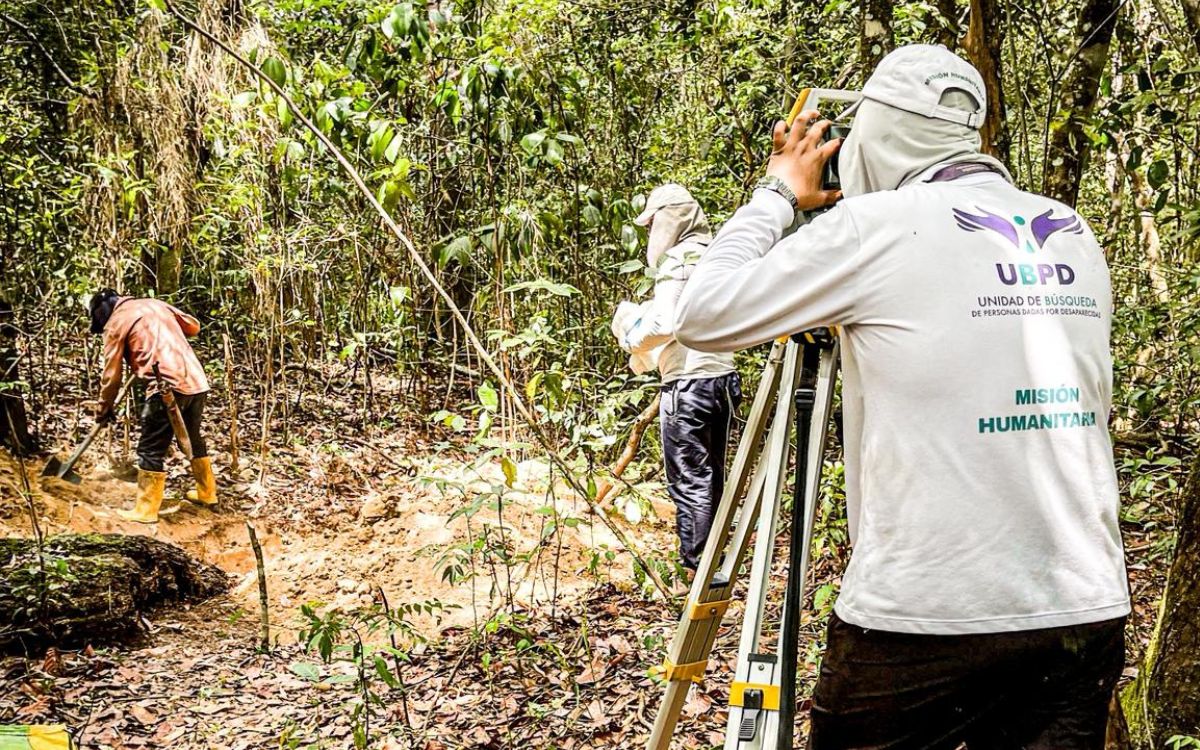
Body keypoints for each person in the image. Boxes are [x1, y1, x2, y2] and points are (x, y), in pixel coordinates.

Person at [675, 45, 1129, 749]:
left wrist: (777, 194)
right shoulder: (1071, 230)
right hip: (1083, 605)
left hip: (923, 614)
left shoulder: (875, 227)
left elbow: (702, 314)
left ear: (880, 133)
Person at [614, 184, 742, 588]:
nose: (652, 232)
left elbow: (665, 324)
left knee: (690, 477)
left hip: (688, 384)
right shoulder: (718, 253)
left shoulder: (679, 259)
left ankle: (697, 569)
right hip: (722, 379)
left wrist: (629, 338)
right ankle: (714, 560)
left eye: (654, 223)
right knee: (711, 475)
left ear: (671, 219)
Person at [89, 290, 217, 523]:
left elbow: (111, 375)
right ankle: (207, 493)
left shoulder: (116, 323)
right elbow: (193, 327)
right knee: (193, 438)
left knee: (150, 448)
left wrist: (104, 406)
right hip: (196, 381)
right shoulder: (154, 304)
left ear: (102, 312)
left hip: (166, 386)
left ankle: (146, 510)